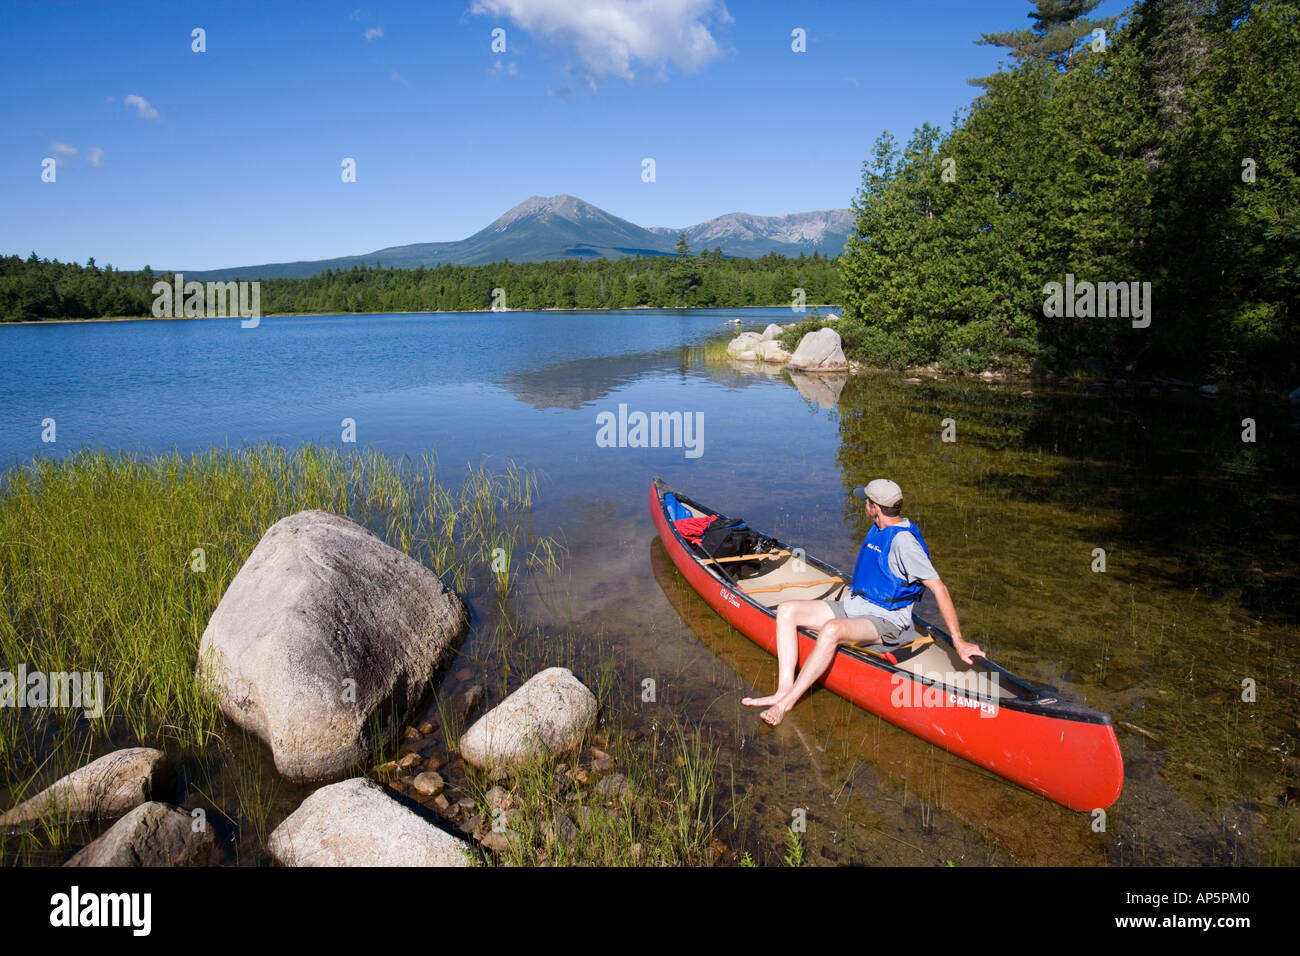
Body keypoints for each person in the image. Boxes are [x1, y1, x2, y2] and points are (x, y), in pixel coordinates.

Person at [742, 478, 983, 726]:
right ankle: (783, 688)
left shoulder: (904, 543)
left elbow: (939, 588)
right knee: (786, 611)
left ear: (875, 507)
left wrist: (958, 641)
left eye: (866, 502)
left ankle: (786, 703)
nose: (864, 505)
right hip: (855, 607)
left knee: (832, 629)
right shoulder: (879, 528)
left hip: (888, 622)